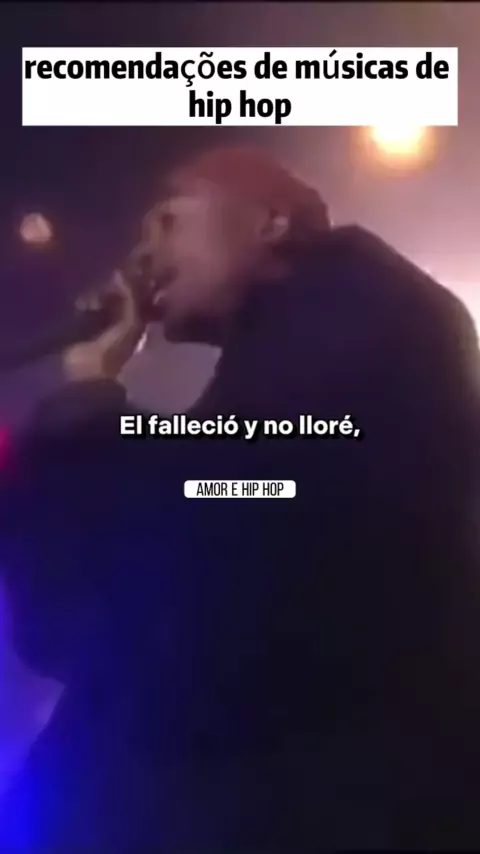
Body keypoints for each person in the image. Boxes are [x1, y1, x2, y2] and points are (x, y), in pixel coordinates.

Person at [2, 145, 480, 852]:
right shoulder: (317, 339)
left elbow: (210, 518)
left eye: (168, 220)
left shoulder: (364, 326)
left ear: (269, 221)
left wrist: (89, 407)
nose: (142, 256)